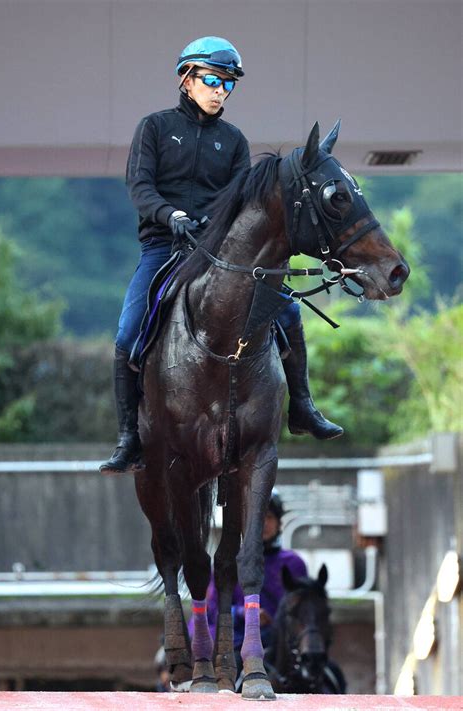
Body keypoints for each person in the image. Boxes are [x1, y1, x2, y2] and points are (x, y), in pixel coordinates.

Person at [100, 36, 342, 474]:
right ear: (186, 78)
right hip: (164, 246)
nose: (220, 91)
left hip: (216, 250)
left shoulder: (233, 140)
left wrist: (216, 229)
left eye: (228, 85)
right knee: (126, 333)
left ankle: (302, 406)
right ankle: (128, 438)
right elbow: (139, 187)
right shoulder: (153, 128)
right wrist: (169, 214)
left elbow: (238, 201)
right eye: (212, 80)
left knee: (287, 312)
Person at [188, 489, 307, 664]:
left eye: (269, 517)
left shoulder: (294, 563)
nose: (264, 523)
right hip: (236, 641)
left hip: (281, 642)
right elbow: (212, 610)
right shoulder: (228, 562)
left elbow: (303, 610)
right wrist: (245, 613)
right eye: (258, 518)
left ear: (279, 522)